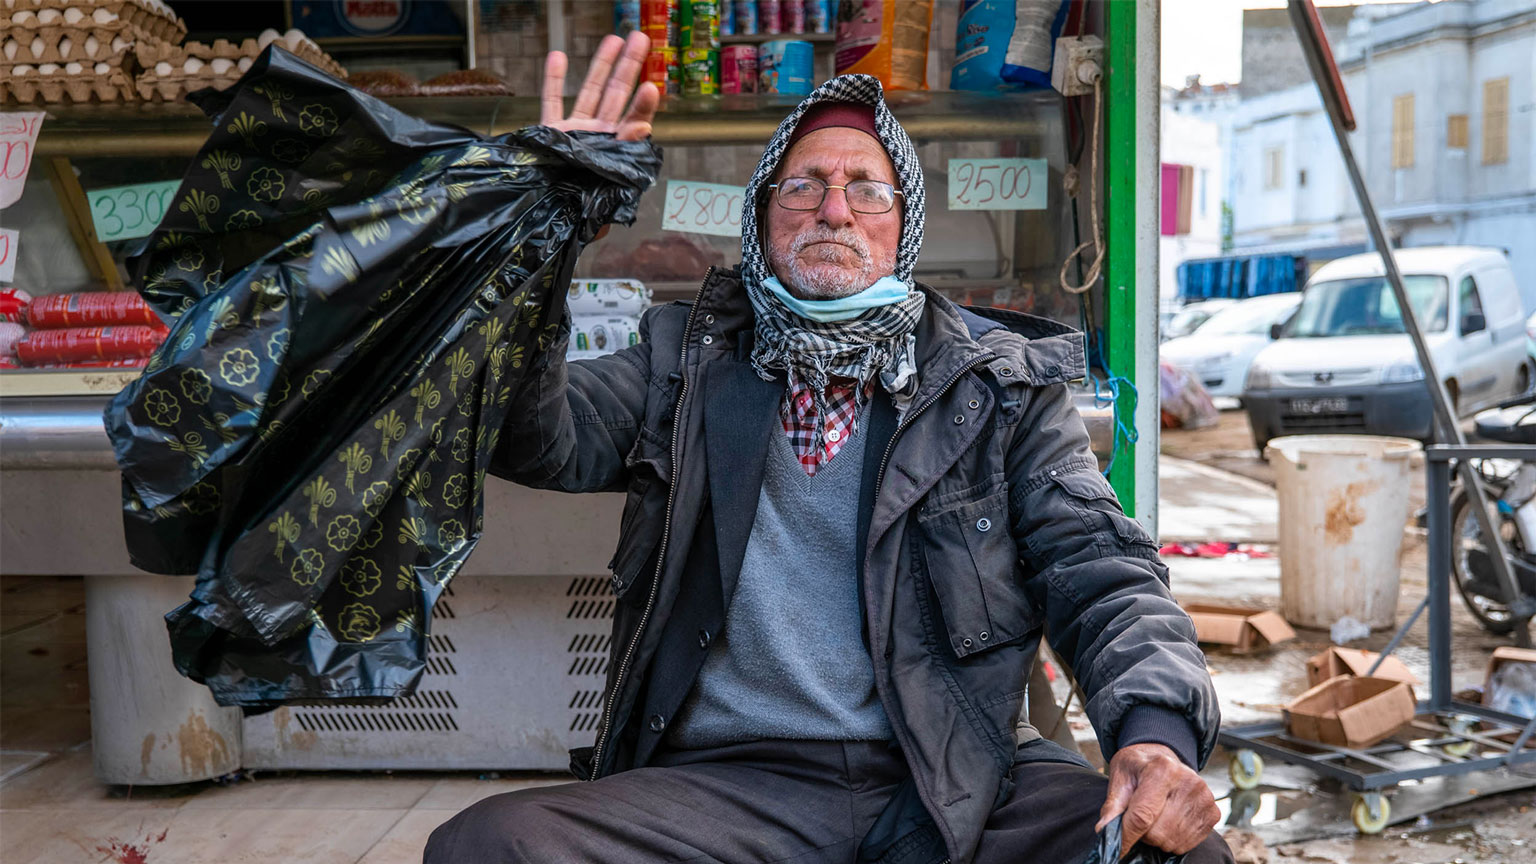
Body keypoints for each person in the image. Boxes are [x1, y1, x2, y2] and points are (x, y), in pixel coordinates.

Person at [426, 31, 1232, 864]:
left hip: (956, 775)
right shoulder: (682, 362)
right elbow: (537, 439)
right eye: (801, 187)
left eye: (866, 191)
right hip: (730, 788)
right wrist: (542, 235)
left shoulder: (998, 385)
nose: (833, 210)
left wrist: (1155, 733)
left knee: (1175, 851)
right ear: (763, 218)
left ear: (905, 225)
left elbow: (1101, 569)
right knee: (489, 846)